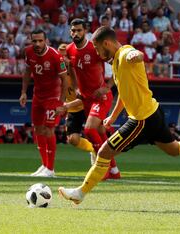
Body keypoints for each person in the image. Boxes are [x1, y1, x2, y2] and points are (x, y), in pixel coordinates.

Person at [58, 26, 180, 205]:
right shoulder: (115, 62)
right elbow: (123, 92)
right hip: (152, 112)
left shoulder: (124, 54)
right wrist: (113, 117)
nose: (97, 53)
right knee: (175, 149)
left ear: (106, 43)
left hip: (141, 120)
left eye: (98, 48)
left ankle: (80, 193)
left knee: (104, 152)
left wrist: (135, 55)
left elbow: (136, 55)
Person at [61, 19, 120, 179]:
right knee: (100, 132)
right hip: (86, 99)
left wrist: (107, 87)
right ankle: (114, 171)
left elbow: (118, 64)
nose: (76, 33)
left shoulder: (94, 48)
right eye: (73, 31)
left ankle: (103, 168)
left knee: (89, 130)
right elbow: (71, 71)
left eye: (79, 30)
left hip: (101, 97)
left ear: (85, 31)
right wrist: (77, 87)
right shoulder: (69, 49)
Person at [19, 28, 68, 177]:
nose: (37, 43)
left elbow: (65, 80)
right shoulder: (28, 52)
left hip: (52, 98)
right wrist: (23, 92)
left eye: (40, 40)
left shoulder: (55, 56)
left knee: (48, 130)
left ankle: (51, 169)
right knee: (38, 129)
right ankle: (44, 165)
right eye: (34, 41)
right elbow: (27, 72)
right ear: (31, 41)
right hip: (37, 97)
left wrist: (61, 103)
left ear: (46, 40)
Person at [57, 43, 97, 164]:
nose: (63, 59)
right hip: (73, 110)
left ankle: (106, 160)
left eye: (65, 56)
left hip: (87, 106)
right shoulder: (58, 73)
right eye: (60, 56)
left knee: (96, 133)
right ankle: (93, 149)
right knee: (73, 139)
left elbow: (85, 97)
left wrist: (66, 106)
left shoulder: (79, 72)